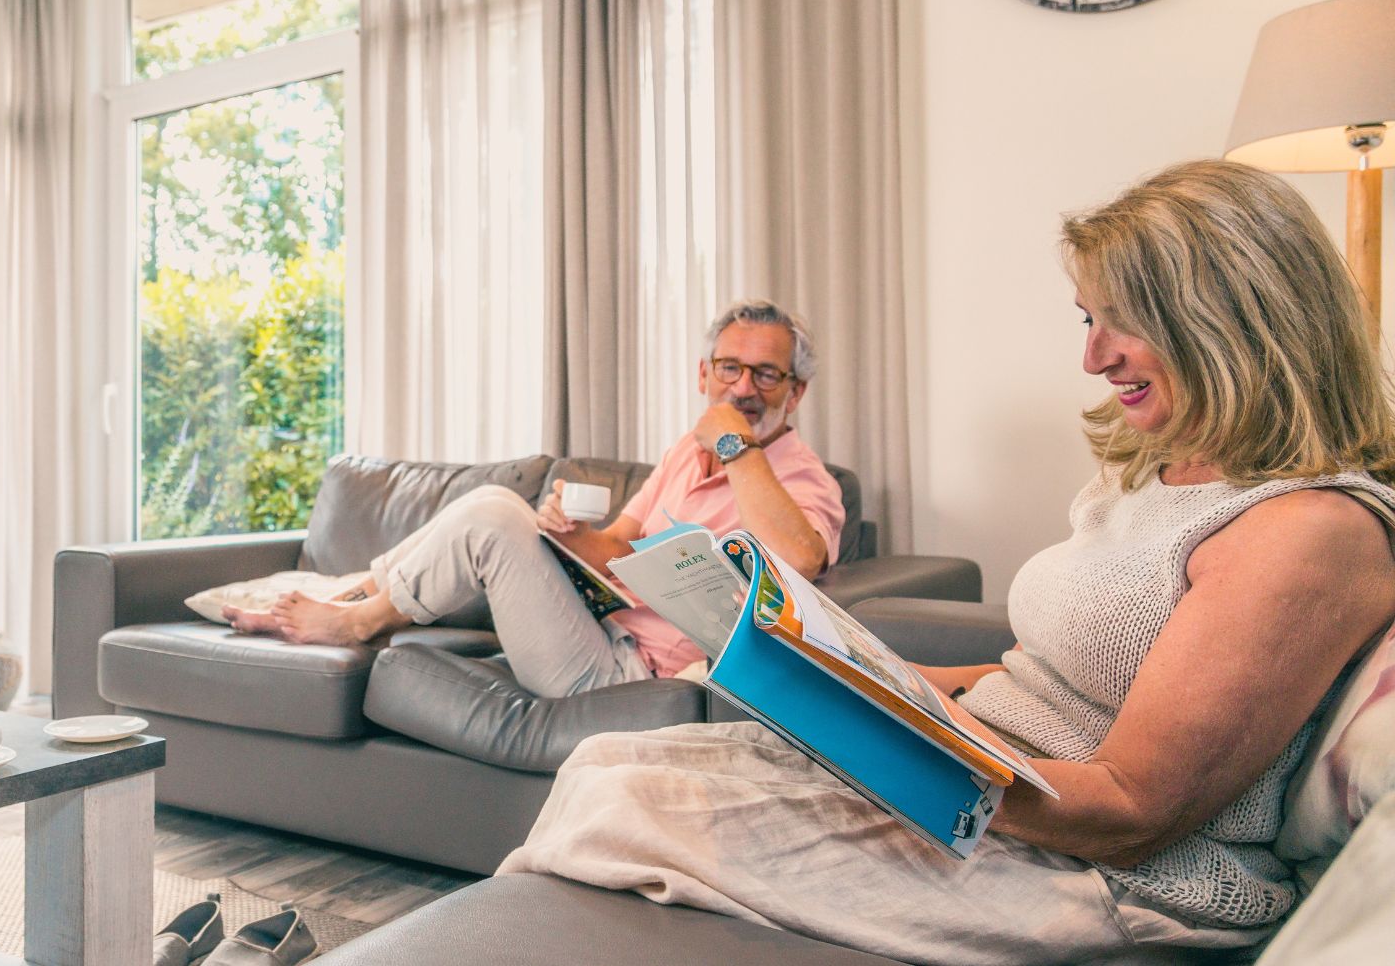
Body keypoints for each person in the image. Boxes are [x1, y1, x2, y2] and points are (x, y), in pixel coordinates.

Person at [497, 160, 1395, 964]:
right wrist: (868, 676)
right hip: (997, 786)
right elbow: (1038, 676)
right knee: (606, 761)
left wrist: (893, 747)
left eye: (1123, 323)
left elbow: (1129, 815)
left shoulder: (1308, 533)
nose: (1092, 357)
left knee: (624, 809)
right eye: (1090, 320)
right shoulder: (1167, 475)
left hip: (1108, 879)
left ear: (1232, 314)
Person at [225, 299, 847, 698]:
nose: (743, 387)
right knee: (499, 506)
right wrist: (572, 540)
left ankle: (356, 613)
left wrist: (740, 449)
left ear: (795, 394)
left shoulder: (804, 478)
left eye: (766, 374)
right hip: (595, 627)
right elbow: (618, 548)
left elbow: (804, 559)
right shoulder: (687, 451)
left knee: (493, 513)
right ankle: (354, 594)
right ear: (702, 374)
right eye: (729, 368)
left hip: (630, 677)